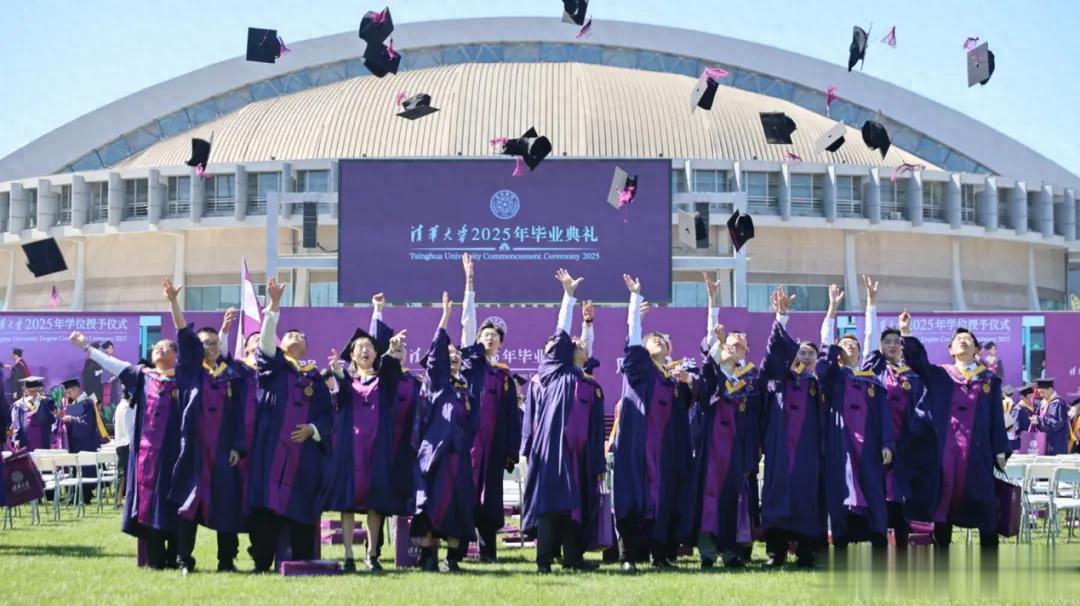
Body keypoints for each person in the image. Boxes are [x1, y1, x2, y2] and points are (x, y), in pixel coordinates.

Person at [70, 306, 183, 570]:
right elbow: (112, 364)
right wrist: (85, 346)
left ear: (177, 355)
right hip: (148, 456)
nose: (159, 349)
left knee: (176, 502)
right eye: (156, 348)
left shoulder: (186, 377)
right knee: (149, 503)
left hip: (177, 452)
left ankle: (178, 556)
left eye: (166, 347)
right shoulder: (142, 376)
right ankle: (155, 558)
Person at [901, 310, 1009, 549]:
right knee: (944, 504)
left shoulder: (989, 380)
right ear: (950, 350)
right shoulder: (940, 375)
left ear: (976, 349)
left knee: (984, 506)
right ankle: (942, 558)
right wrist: (906, 333)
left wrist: (1001, 449)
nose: (963, 340)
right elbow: (917, 362)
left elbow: (996, 417)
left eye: (968, 338)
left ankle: (990, 562)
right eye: (958, 339)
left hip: (978, 454)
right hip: (944, 455)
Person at [247, 277, 333, 573]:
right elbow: (265, 343)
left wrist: (313, 430)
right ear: (281, 345)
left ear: (307, 347)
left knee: (300, 503)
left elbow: (327, 415)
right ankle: (261, 561)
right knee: (266, 505)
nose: (295, 335)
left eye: (300, 335)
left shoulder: (314, 377)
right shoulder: (273, 367)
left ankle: (300, 561)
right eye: (290, 334)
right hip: (271, 450)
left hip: (302, 454)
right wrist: (273, 306)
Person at [520, 269, 603, 573]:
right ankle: (544, 561)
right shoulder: (554, 372)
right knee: (549, 503)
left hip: (579, 452)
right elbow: (561, 333)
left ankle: (573, 558)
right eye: (573, 342)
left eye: (581, 343)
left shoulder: (588, 383)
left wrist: (596, 462)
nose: (577, 343)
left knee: (574, 504)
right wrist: (568, 297)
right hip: (552, 447)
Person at [611, 275, 693, 572]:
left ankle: (660, 555)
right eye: (653, 338)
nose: (659, 339)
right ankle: (628, 557)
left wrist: (688, 382)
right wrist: (635, 302)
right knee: (633, 498)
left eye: (664, 339)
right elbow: (634, 340)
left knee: (663, 500)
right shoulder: (640, 368)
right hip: (637, 446)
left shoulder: (672, 381)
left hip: (664, 452)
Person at [165, 283, 247, 575]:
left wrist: (237, 446)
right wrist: (174, 302)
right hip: (195, 451)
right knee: (189, 504)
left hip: (223, 451)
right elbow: (183, 333)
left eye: (214, 343)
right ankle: (184, 559)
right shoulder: (190, 371)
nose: (210, 347)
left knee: (227, 504)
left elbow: (238, 415)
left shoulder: (231, 375)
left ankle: (227, 560)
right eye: (204, 344)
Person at [323, 292, 408, 573]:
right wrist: (336, 376)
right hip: (350, 448)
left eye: (369, 347)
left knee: (376, 502)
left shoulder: (384, 380)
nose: (364, 350)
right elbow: (337, 404)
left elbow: (392, 368)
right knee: (347, 503)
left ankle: (372, 555)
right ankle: (348, 555)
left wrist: (391, 349)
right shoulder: (345, 379)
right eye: (359, 347)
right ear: (351, 355)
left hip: (377, 448)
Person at [680, 273, 758, 570]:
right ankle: (707, 553)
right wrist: (713, 303)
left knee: (732, 498)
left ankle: (731, 552)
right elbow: (709, 355)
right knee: (708, 497)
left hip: (735, 450)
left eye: (734, 348)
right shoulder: (711, 380)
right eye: (725, 346)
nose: (729, 349)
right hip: (711, 451)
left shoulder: (747, 381)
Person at [818, 284, 894, 550]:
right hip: (841, 443)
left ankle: (878, 541)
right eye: (844, 344)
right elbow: (825, 344)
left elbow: (872, 339)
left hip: (869, 445)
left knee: (872, 490)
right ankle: (840, 541)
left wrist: (871, 303)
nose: (850, 345)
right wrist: (832, 307)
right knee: (841, 489)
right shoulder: (833, 376)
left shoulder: (870, 377)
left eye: (854, 344)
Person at [458, 253, 521, 562]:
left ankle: (488, 552)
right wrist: (470, 282)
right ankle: (457, 551)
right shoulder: (469, 364)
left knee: (491, 499)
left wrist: (510, 451)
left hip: (493, 447)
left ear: (500, 344)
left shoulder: (504, 376)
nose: (490, 338)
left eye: (495, 336)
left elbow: (511, 418)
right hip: (467, 444)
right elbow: (467, 321)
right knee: (464, 494)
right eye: (485, 335)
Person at [758, 286, 825, 568]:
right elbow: (774, 352)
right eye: (801, 352)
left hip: (809, 450)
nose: (806, 356)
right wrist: (781, 317)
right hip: (780, 448)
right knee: (777, 494)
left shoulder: (819, 385)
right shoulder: (778, 379)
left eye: (811, 353)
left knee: (806, 496)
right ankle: (776, 552)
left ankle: (806, 552)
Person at [861, 276, 931, 546]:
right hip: (878, 440)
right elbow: (869, 337)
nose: (892, 345)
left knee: (903, 495)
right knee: (879, 491)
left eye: (897, 341)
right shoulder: (874, 370)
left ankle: (902, 544)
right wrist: (871, 303)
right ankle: (878, 542)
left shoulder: (912, 373)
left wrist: (906, 330)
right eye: (887, 341)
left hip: (906, 442)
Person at [411, 291, 477, 573]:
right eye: (449, 355)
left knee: (458, 505)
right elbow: (436, 357)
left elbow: (472, 423)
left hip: (458, 456)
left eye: (457, 356)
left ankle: (452, 559)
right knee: (430, 503)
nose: (454, 358)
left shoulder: (465, 390)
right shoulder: (436, 384)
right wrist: (446, 317)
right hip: (434, 455)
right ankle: (428, 557)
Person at [57, 377, 106, 503]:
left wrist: (71, 419)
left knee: (86, 470)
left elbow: (87, 424)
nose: (68, 396)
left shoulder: (87, 403)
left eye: (69, 392)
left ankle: (85, 495)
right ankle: (75, 495)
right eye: (66, 393)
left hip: (86, 443)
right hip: (76, 443)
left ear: (77, 389)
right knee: (76, 469)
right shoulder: (74, 404)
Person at [10, 376, 56, 451]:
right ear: (24, 390)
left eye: (34, 391)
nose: (32, 393)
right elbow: (16, 424)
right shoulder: (18, 405)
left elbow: (52, 420)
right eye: (29, 391)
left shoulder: (47, 402)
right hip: (25, 440)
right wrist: (16, 439)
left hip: (43, 439)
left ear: (38, 389)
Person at [1029, 378, 1069, 456]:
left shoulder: (1058, 403)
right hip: (1043, 443)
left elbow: (1055, 424)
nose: (1041, 395)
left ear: (1050, 389)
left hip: (1055, 445)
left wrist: (1039, 420)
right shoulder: (1043, 403)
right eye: (1039, 392)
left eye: (1042, 392)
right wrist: (1035, 419)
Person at [113, 387, 134, 506]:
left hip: (120, 443)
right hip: (127, 443)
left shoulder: (120, 406)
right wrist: (131, 443)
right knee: (124, 473)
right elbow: (129, 427)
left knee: (122, 472)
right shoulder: (127, 407)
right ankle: (118, 499)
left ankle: (119, 499)